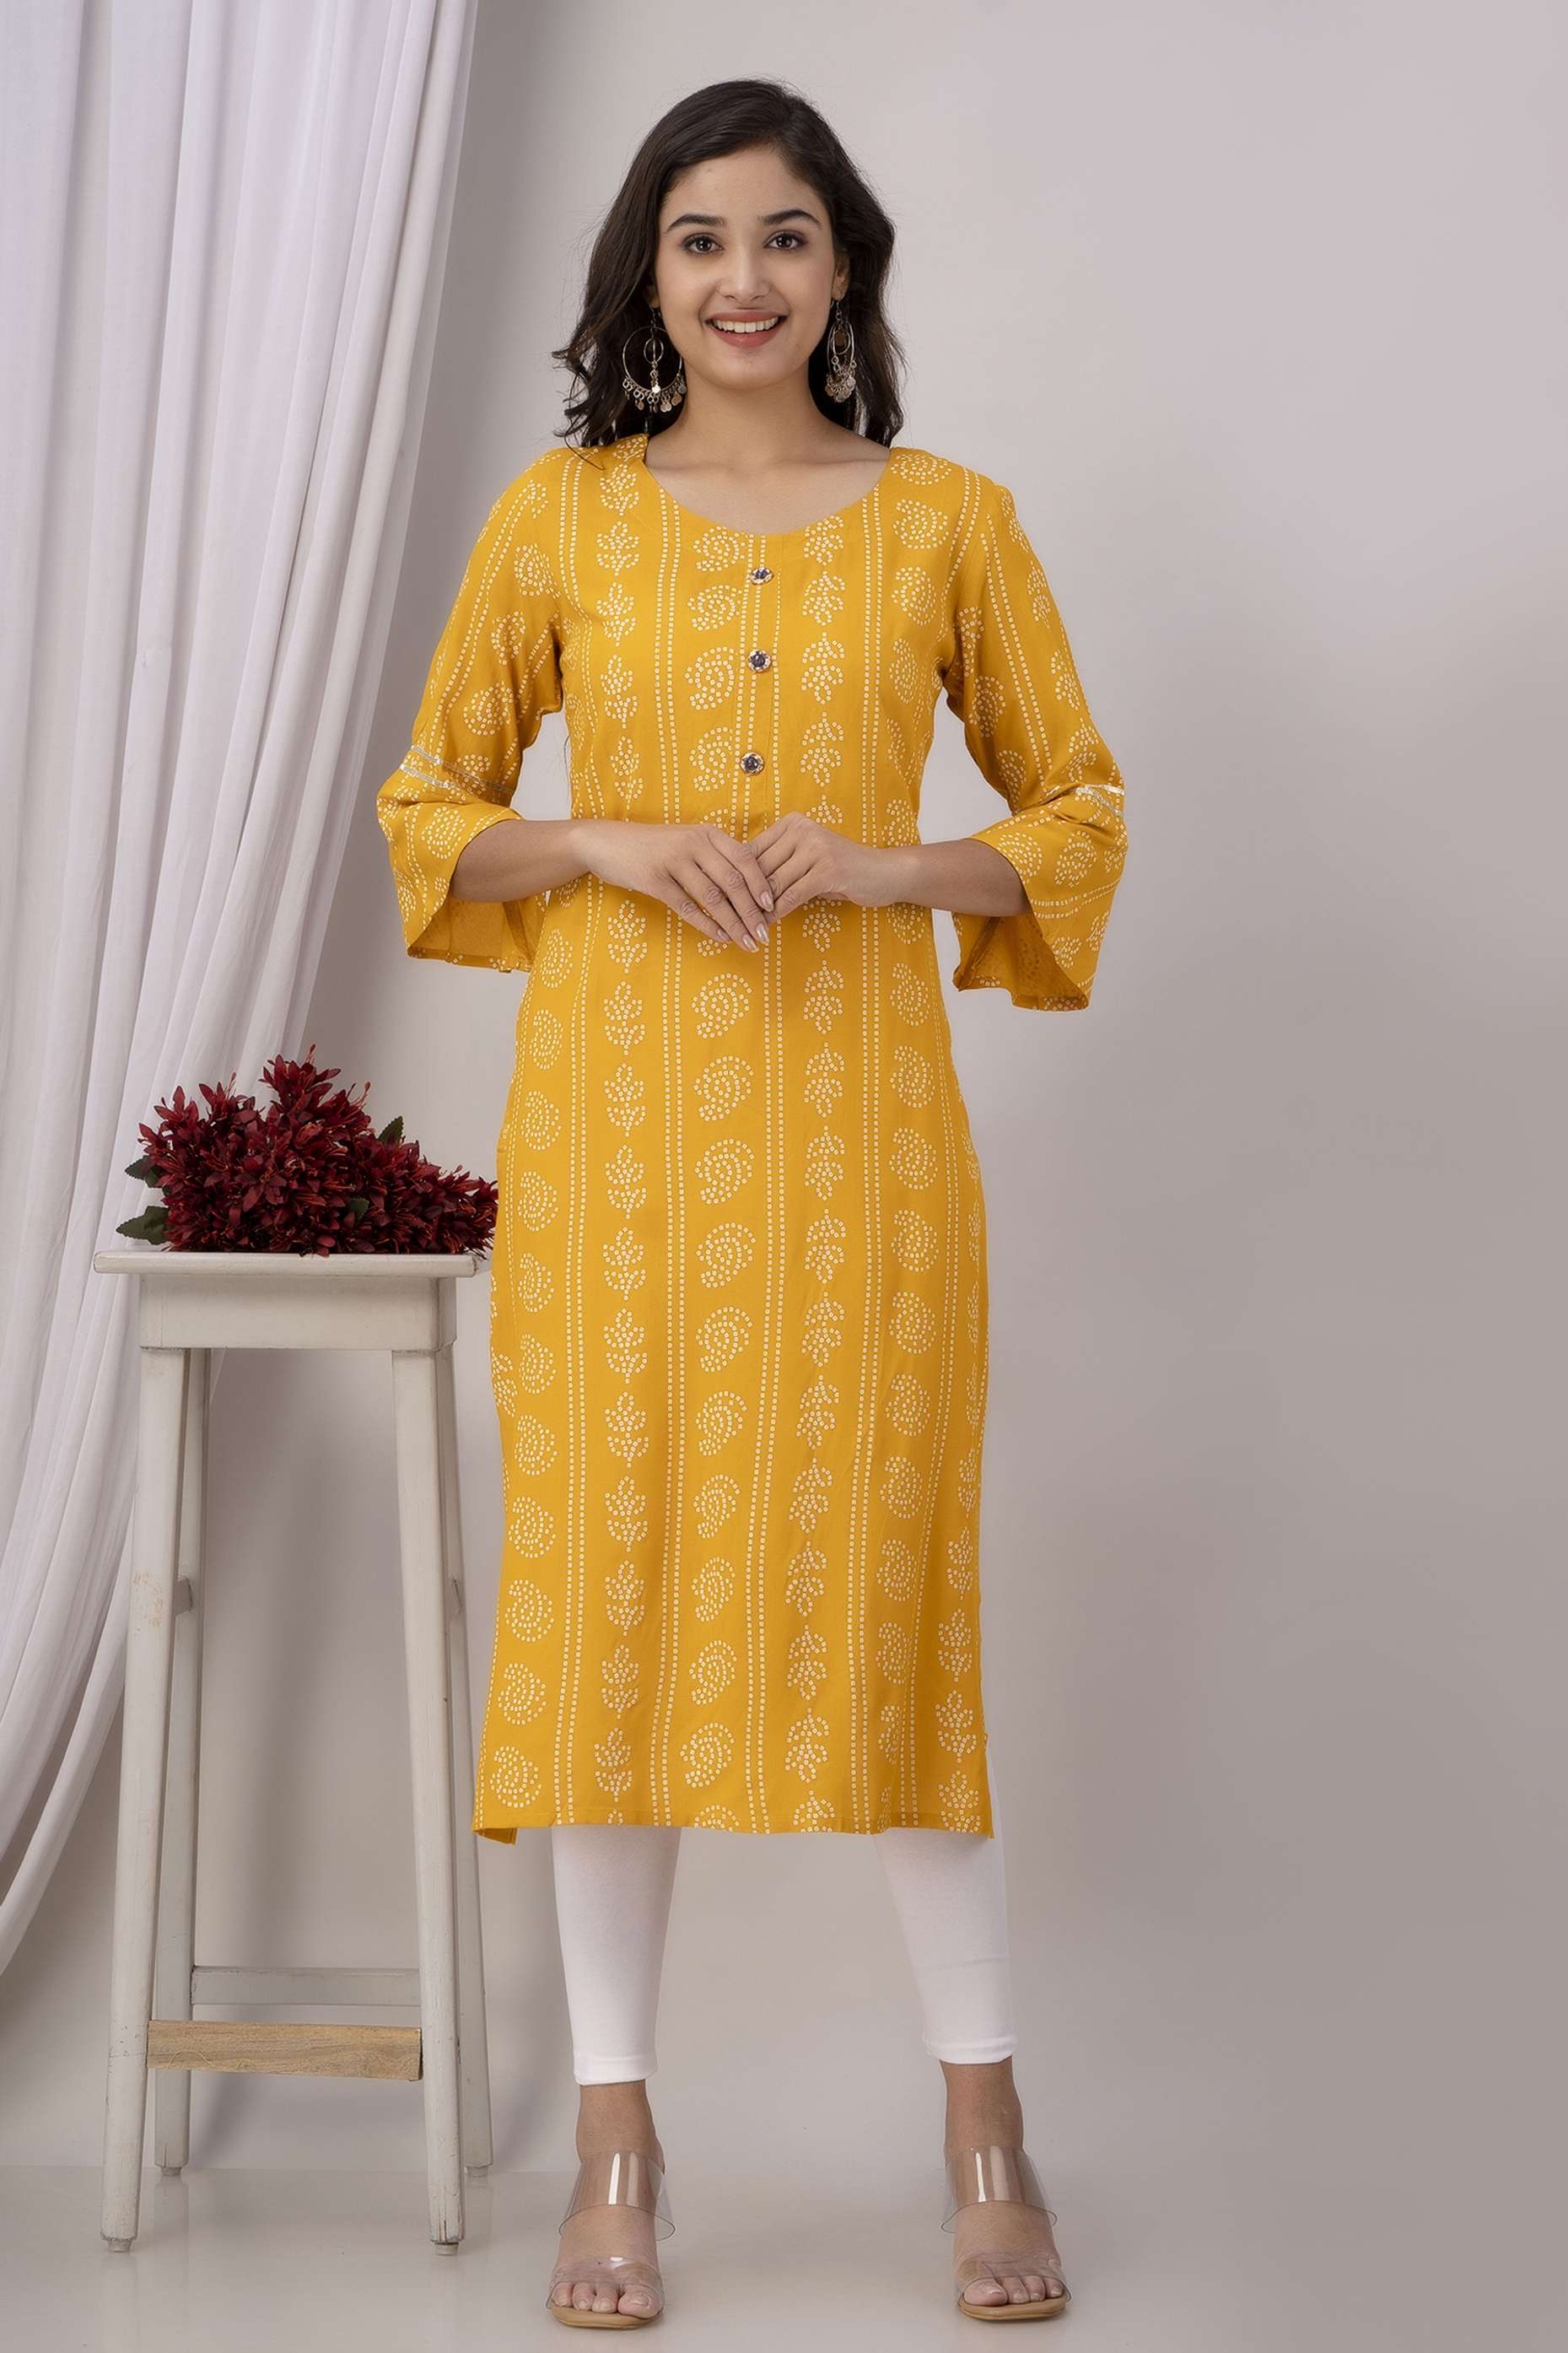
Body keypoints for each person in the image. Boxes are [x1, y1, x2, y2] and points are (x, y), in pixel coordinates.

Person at [377, 75, 1129, 2330]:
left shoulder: (952, 524)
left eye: (786, 237)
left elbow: (1076, 811)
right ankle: (616, 2140)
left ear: (843, 269)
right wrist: (605, 838)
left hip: (865, 1164)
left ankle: (984, 2126)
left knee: (891, 1611)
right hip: (613, 1158)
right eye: (701, 239)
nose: (742, 280)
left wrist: (889, 867)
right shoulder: (559, 520)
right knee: (607, 1611)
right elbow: (430, 806)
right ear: (649, 269)